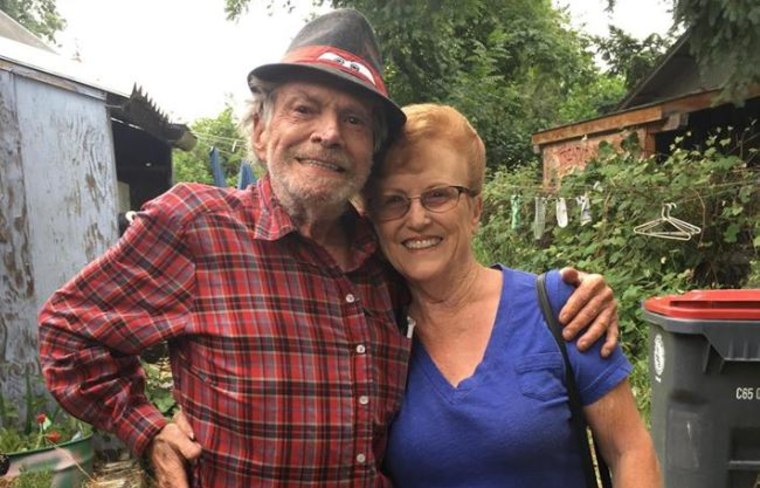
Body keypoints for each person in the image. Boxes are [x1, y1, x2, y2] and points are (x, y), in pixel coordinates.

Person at [38, 10, 619, 488]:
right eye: (304, 108)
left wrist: (575, 296)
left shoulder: (385, 258)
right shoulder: (197, 227)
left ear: (370, 156)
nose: (329, 132)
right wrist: (150, 429)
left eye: (354, 119)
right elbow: (68, 334)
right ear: (262, 130)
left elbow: (468, 297)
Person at [362, 103, 661, 487]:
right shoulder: (371, 331)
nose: (417, 218)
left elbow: (630, 449)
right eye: (394, 200)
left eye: (438, 195)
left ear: (475, 210)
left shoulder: (558, 307)